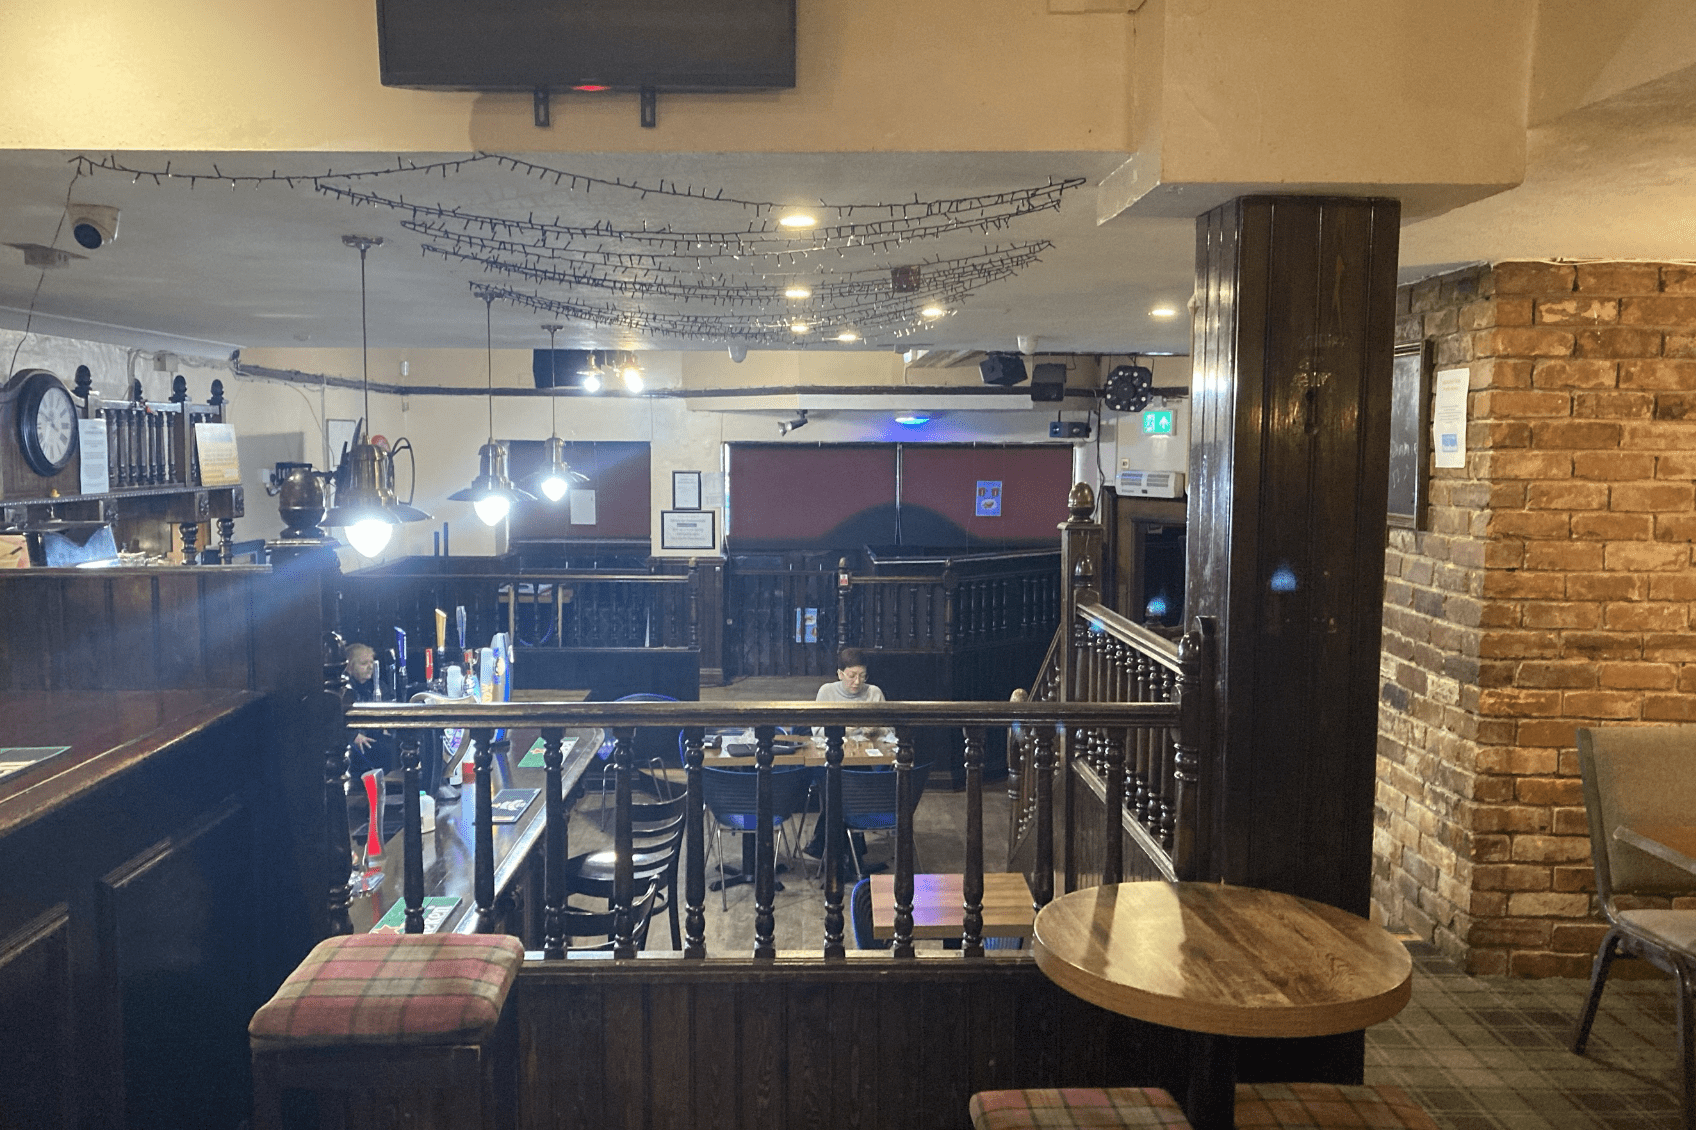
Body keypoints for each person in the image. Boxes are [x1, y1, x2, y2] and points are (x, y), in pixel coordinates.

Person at [812, 647, 889, 743]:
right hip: (835, 746)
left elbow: (889, 730)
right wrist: (844, 730)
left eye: (862, 676)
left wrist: (876, 729)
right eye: (852, 676)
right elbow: (816, 731)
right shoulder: (827, 691)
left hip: (868, 746)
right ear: (840, 674)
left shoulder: (874, 693)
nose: (857, 682)